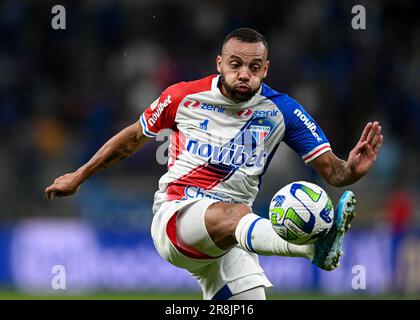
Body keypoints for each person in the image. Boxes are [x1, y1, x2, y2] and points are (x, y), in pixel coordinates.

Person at [45, 28, 383, 300]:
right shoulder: (183, 97)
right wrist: (79, 175)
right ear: (219, 63)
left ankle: (311, 249)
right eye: (235, 64)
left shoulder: (283, 111)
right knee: (235, 212)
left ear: (265, 70)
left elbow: (332, 172)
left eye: (254, 68)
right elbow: (132, 140)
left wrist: (350, 170)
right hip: (177, 218)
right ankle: (312, 249)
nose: (243, 75)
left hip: (231, 238)